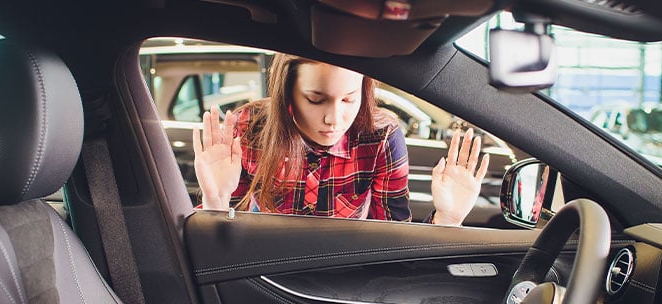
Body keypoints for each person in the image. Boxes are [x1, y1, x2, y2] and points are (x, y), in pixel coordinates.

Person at [192, 53, 489, 225]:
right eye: (316, 99)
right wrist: (215, 200)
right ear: (288, 94)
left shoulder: (381, 138)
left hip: (341, 276)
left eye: (348, 100)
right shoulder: (251, 126)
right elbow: (224, 246)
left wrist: (447, 218)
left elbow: (393, 243)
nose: (334, 119)